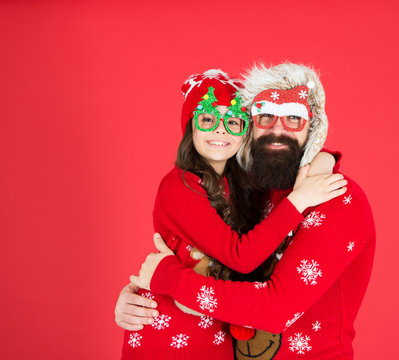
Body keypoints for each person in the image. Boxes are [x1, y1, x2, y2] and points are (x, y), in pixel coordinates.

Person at [128, 63, 376, 359]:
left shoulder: (337, 199)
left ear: (313, 127)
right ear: (249, 126)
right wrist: (138, 297)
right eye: (266, 116)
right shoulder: (252, 193)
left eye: (294, 119)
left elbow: (274, 310)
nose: (277, 130)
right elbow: (210, 255)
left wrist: (167, 280)